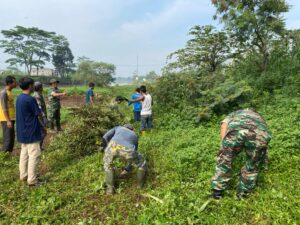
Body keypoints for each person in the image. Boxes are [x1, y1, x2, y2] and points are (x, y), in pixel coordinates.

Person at [210, 108, 272, 199]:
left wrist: (225, 147)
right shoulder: (259, 117)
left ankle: (217, 194)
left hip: (236, 130)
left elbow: (224, 126)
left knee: (225, 161)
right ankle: (243, 194)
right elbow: (264, 140)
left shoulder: (234, 114)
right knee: (252, 165)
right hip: (260, 133)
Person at [102, 124, 147, 194]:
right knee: (141, 163)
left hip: (112, 146)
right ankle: (140, 186)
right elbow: (133, 155)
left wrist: (106, 149)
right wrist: (127, 169)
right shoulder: (134, 135)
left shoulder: (118, 128)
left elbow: (105, 137)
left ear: (124, 127)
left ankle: (110, 190)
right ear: (132, 129)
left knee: (108, 166)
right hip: (128, 149)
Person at [16, 77, 43, 186]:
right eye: (32, 85)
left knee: (24, 154)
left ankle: (23, 175)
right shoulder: (30, 99)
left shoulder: (19, 98)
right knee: (34, 155)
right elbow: (38, 113)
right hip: (31, 131)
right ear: (30, 86)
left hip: (22, 131)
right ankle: (32, 180)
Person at [0, 76, 17, 153]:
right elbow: (4, 107)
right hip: (7, 119)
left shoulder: (10, 92)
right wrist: (8, 120)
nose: (16, 83)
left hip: (11, 118)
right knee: (8, 138)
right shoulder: (3, 93)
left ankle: (8, 155)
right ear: (9, 83)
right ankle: (4, 157)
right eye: (14, 82)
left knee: (11, 137)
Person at [33, 82, 47, 150]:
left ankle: (39, 147)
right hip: (40, 116)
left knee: (42, 131)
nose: (42, 88)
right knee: (43, 131)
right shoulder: (37, 96)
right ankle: (38, 147)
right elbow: (39, 107)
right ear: (39, 88)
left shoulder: (39, 94)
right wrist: (44, 116)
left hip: (40, 115)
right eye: (42, 87)